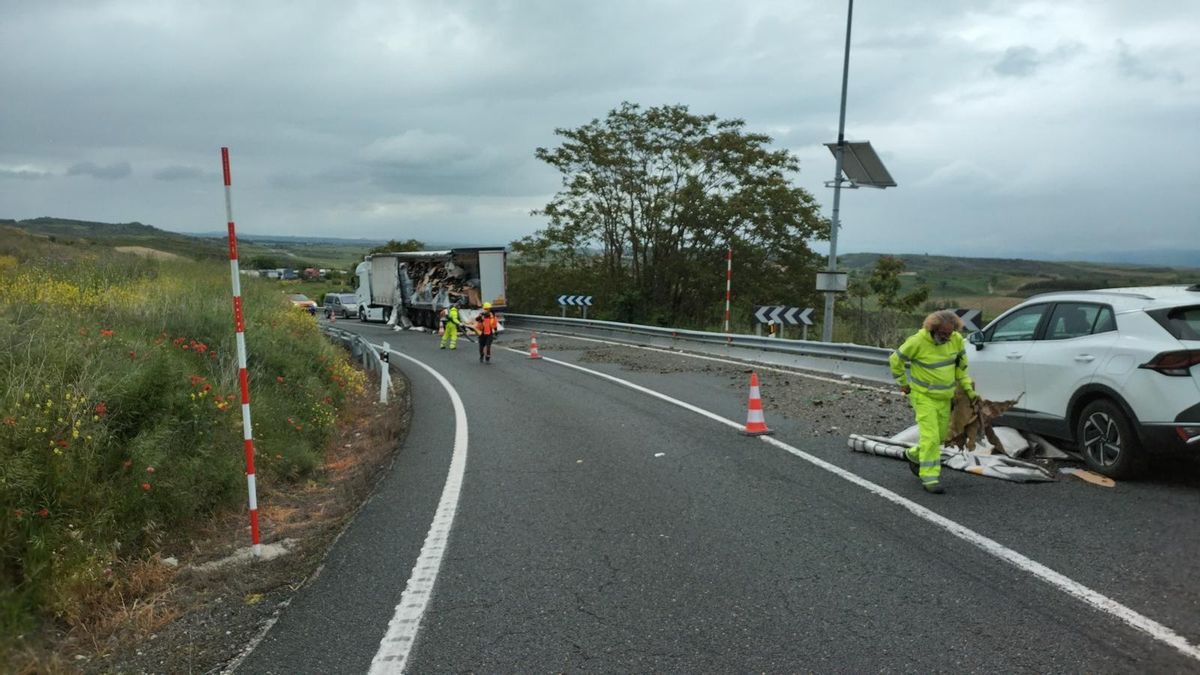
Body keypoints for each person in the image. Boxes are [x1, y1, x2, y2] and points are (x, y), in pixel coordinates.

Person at [888, 310, 978, 494]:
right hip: (923, 397)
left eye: (949, 333)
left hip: (945, 398)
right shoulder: (917, 342)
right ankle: (930, 477)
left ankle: (913, 455)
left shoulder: (957, 341)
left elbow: (961, 369)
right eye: (942, 334)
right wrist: (903, 383)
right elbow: (895, 359)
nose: (946, 337)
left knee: (939, 437)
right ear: (932, 329)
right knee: (929, 437)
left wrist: (968, 390)